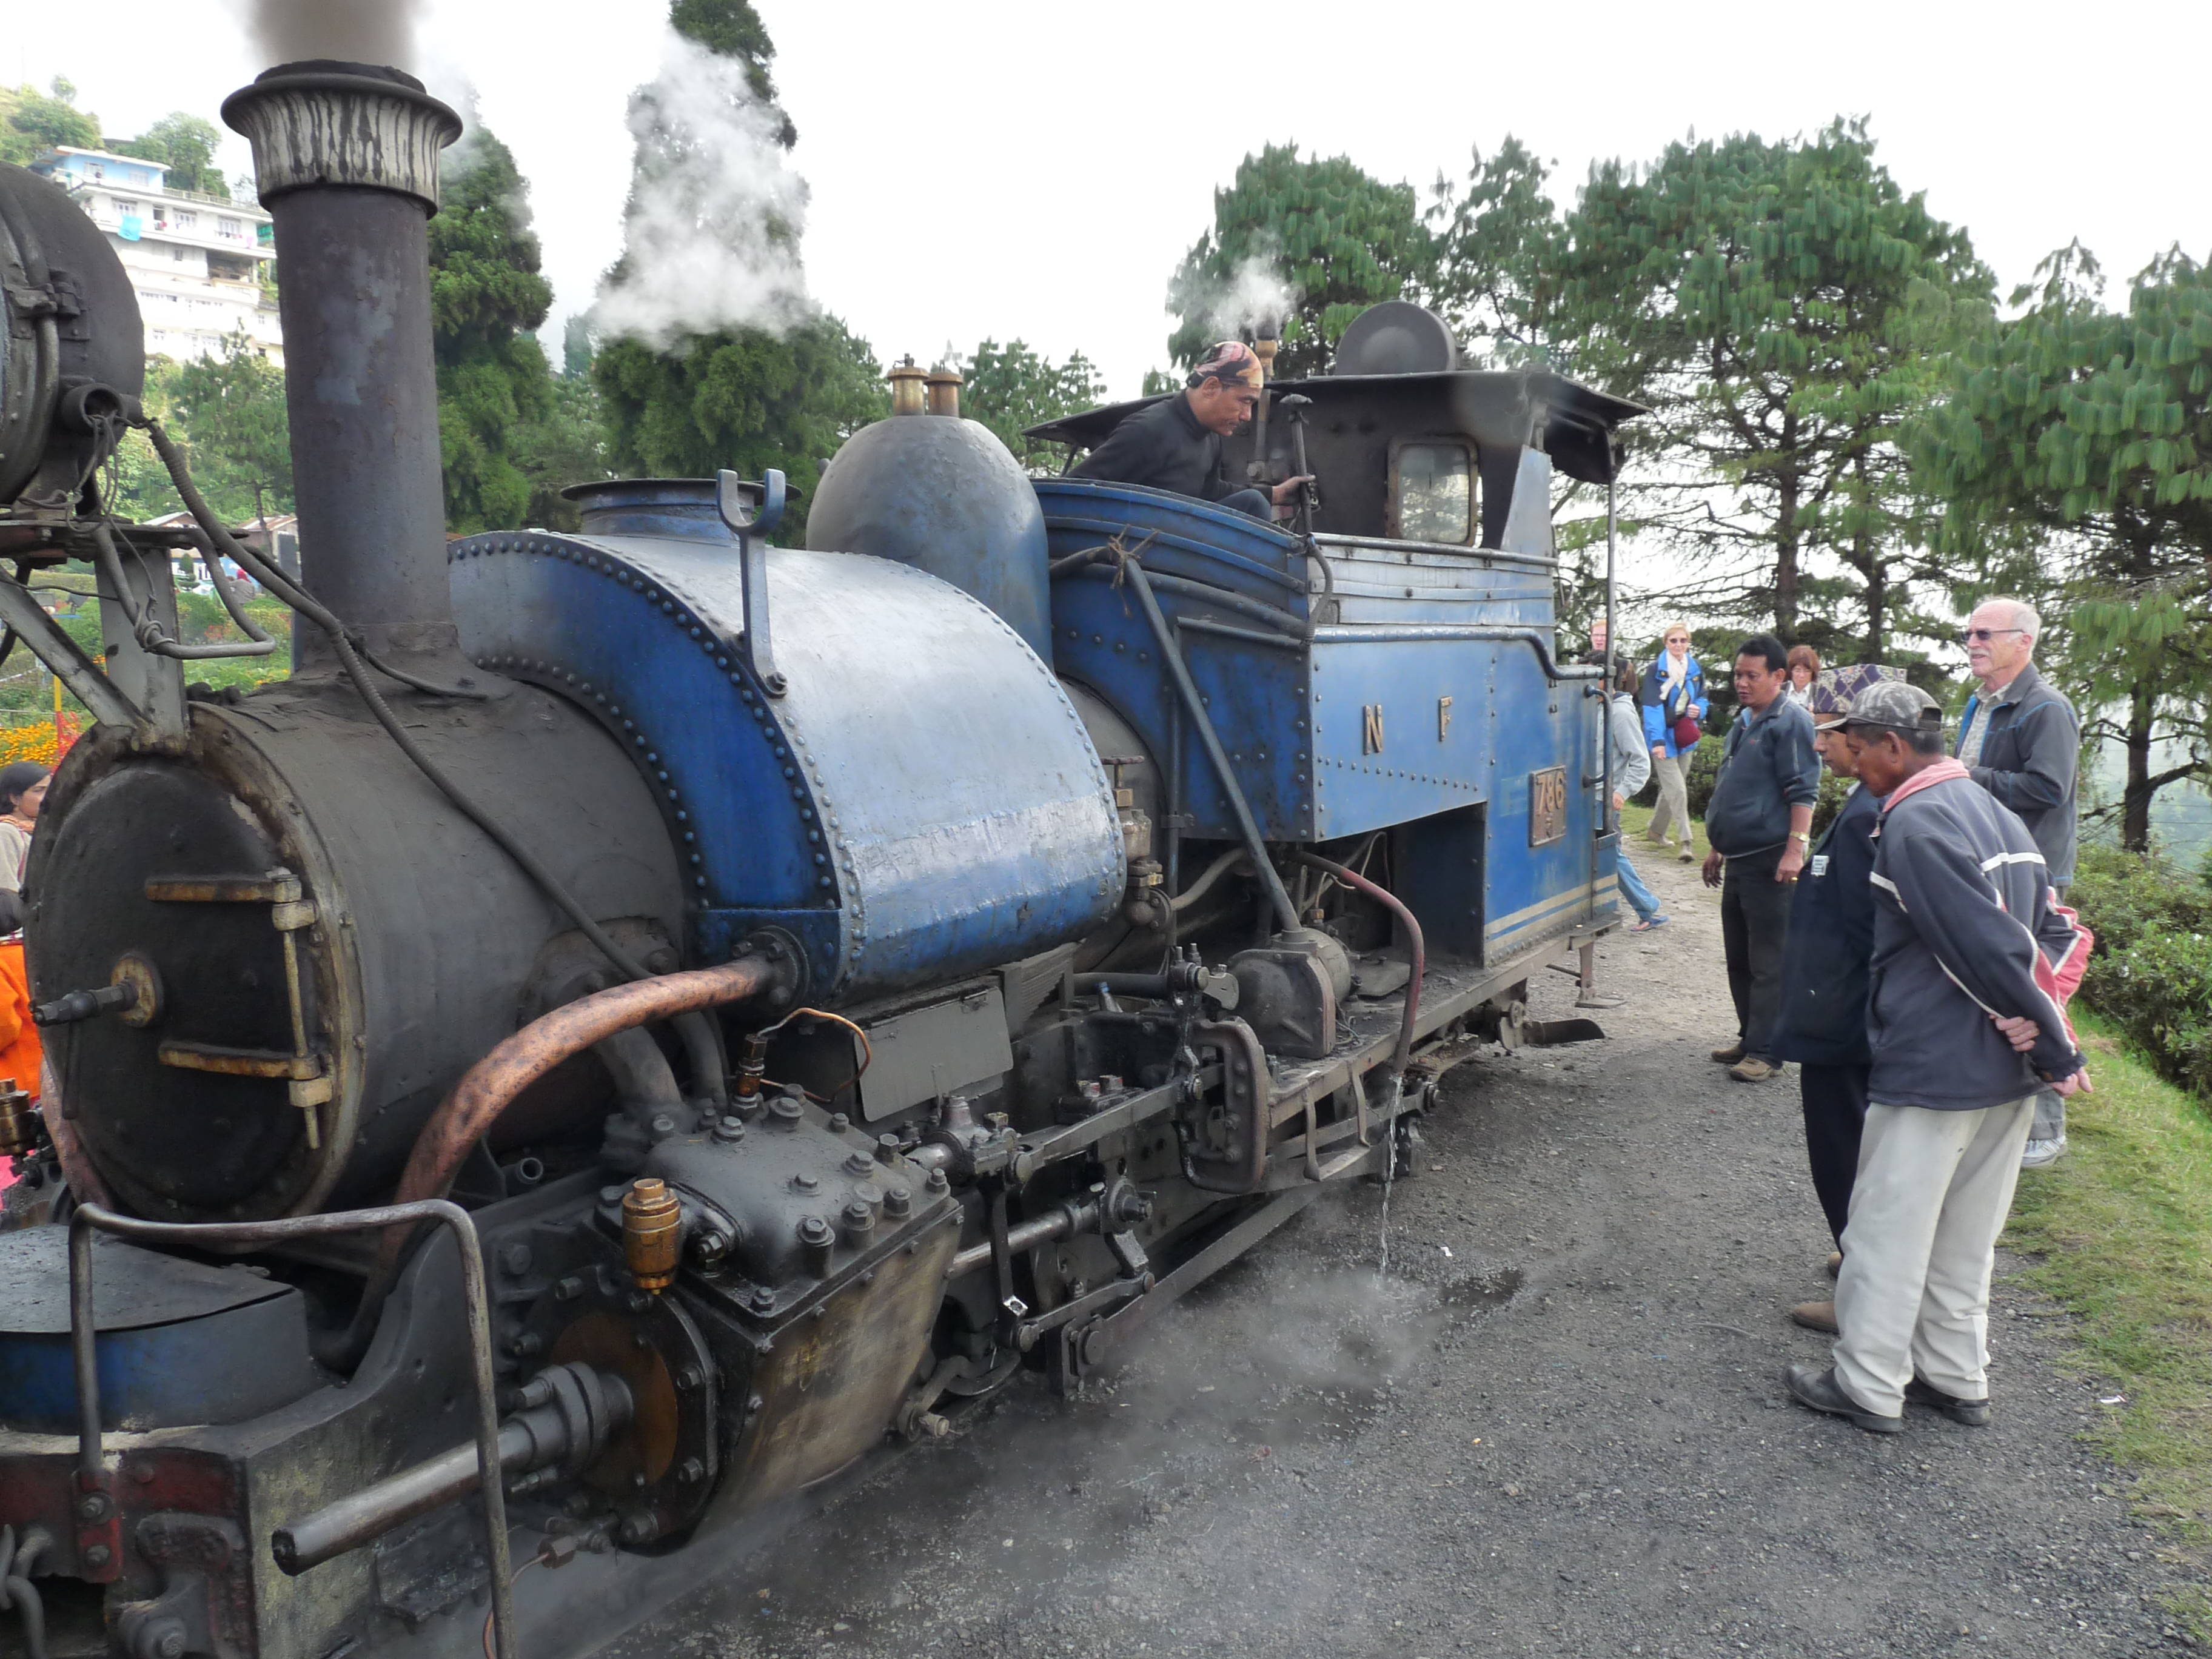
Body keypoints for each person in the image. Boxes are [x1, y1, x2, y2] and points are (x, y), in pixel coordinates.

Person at [1784, 680, 2090, 1435]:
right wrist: (2036, 1026)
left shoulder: (1916, 821)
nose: (1844, 756)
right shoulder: (1993, 811)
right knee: (1966, 1238)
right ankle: (1956, 1377)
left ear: (1892, 745)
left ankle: (1867, 1385)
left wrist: (2052, 1042)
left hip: (1933, 1066)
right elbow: (2058, 932)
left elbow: (1978, 947)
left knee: (1887, 1231)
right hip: (2001, 1074)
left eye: (1853, 744)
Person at [1771, 666, 1902, 1334]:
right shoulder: (1865, 806)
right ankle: (1860, 1257)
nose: (1819, 748)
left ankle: (1864, 1292)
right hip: (1846, 1012)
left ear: (1862, 736)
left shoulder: (1867, 817)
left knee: (1843, 1148)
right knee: (1853, 1146)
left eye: (1828, 735)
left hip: (1844, 1019)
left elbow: (1868, 931)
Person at [1953, 598, 2080, 1169]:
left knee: (2035, 991)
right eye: (1968, 633)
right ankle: (1995, 1105)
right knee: (1993, 988)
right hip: (1988, 865)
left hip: (2031, 875)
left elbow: (2050, 789)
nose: (1972, 642)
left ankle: (2045, 1130)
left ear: (2022, 641)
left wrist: (1967, 777)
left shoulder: (2045, 707)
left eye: (1984, 633)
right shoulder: (1981, 702)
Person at [1701, 635, 1819, 1082]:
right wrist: (1717, 846)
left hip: (1771, 859)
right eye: (1738, 675)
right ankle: (1750, 1037)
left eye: (1752, 676)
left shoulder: (1791, 721)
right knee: (1739, 957)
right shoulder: (1745, 719)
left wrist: (1795, 848)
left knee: (1769, 960)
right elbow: (1733, 789)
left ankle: (1768, 1052)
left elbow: (1803, 789)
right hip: (1739, 857)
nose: (1742, 683)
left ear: (1778, 677)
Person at [1071, 341, 1312, 520]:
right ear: (1211, 387)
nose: (1247, 416)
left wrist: (1276, 494)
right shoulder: (1149, 430)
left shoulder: (1211, 437)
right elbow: (1074, 487)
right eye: (1244, 401)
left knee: (1253, 502)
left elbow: (1211, 491)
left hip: (1182, 543)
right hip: (1143, 557)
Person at [1603, 659, 1668, 933]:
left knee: (1610, 856)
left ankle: (1647, 907)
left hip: (1604, 800)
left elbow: (1641, 761)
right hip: (1591, 797)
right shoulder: (1601, 707)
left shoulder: (1620, 714)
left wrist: (1622, 792)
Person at [1639, 623, 1707, 863]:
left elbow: (1702, 696)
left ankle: (1655, 831)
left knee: (1671, 790)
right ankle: (1686, 842)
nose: (1679, 645)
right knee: (1678, 790)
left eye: (1683, 641)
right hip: (1662, 737)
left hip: (1684, 734)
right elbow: (1652, 708)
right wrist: (1657, 740)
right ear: (1666, 643)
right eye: (1673, 641)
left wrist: (1700, 710)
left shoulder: (1695, 668)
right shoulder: (1656, 670)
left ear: (1688, 642)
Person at [0, 763, 48, 937]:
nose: (47, 797)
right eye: (38, 790)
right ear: (15, 798)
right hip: (20, 937)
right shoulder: (6, 832)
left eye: (50, 789)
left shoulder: (37, 830)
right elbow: (7, 899)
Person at [1783, 644, 1820, 712]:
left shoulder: (1822, 693)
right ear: (1790, 671)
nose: (1802, 675)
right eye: (1797, 671)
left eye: (1807, 671)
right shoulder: (1779, 691)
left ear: (1813, 672)